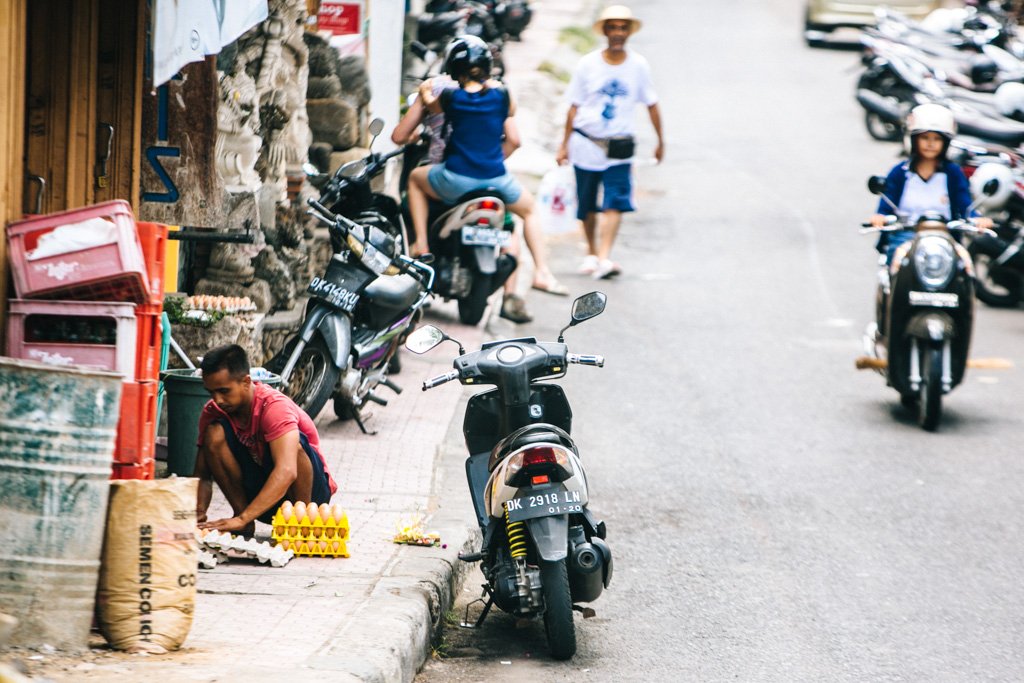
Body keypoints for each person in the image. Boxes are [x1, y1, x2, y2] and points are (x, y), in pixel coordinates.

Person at [404, 35, 568, 324]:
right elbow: (512, 124)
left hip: (456, 179)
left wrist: (425, 91)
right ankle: (542, 271)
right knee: (528, 212)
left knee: (416, 180)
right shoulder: (502, 96)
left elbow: (432, 106)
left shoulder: (451, 97)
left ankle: (421, 245)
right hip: (497, 180)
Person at [556, 4, 664, 280]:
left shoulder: (638, 65)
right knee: (588, 204)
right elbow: (573, 106)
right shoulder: (587, 64)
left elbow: (651, 103)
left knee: (615, 201)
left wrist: (660, 140)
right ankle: (592, 252)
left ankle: (604, 256)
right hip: (586, 143)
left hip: (620, 146)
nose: (618, 33)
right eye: (613, 27)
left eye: (622, 28)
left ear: (629, 32)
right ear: (605, 31)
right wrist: (563, 144)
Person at [193, 344, 338, 535]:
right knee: (214, 435)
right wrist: (196, 516)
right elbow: (202, 476)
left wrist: (244, 517)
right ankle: (243, 519)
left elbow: (287, 471)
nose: (217, 399)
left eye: (224, 391)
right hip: (265, 498)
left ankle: (301, 522)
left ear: (246, 382)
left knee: (292, 446)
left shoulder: (274, 407)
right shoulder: (213, 412)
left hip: (310, 495)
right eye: (211, 392)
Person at [869, 102, 993, 262]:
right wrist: (880, 216)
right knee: (898, 259)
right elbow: (887, 202)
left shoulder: (953, 173)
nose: (930, 143)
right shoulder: (900, 172)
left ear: (945, 142)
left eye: (937, 139)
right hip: (907, 235)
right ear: (914, 139)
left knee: (965, 265)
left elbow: (965, 205)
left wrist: (977, 219)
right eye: (925, 137)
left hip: (944, 237)